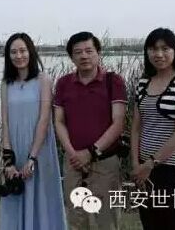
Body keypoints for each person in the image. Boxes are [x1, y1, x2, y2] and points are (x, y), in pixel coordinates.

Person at [53, 31, 126, 230]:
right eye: (78, 52)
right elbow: (59, 121)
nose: (84, 56)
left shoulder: (113, 81)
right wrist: (73, 154)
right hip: (73, 162)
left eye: (89, 51)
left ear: (98, 53)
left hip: (105, 161)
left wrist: (91, 152)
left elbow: (118, 123)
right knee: (76, 220)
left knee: (107, 220)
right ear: (71, 57)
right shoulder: (63, 83)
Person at [131, 28, 175, 230]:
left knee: (173, 223)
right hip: (144, 169)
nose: (159, 54)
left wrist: (150, 164)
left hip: (172, 171)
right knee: (149, 223)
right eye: (153, 49)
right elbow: (136, 127)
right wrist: (136, 164)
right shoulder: (143, 83)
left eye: (165, 48)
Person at [0, 33, 66, 230]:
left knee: (41, 198)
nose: (19, 56)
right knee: (15, 196)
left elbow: (44, 119)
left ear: (31, 52)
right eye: (13, 52)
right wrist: (8, 160)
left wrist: (32, 158)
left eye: (22, 50)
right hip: (15, 147)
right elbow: (4, 122)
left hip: (39, 148)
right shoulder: (6, 83)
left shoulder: (43, 79)